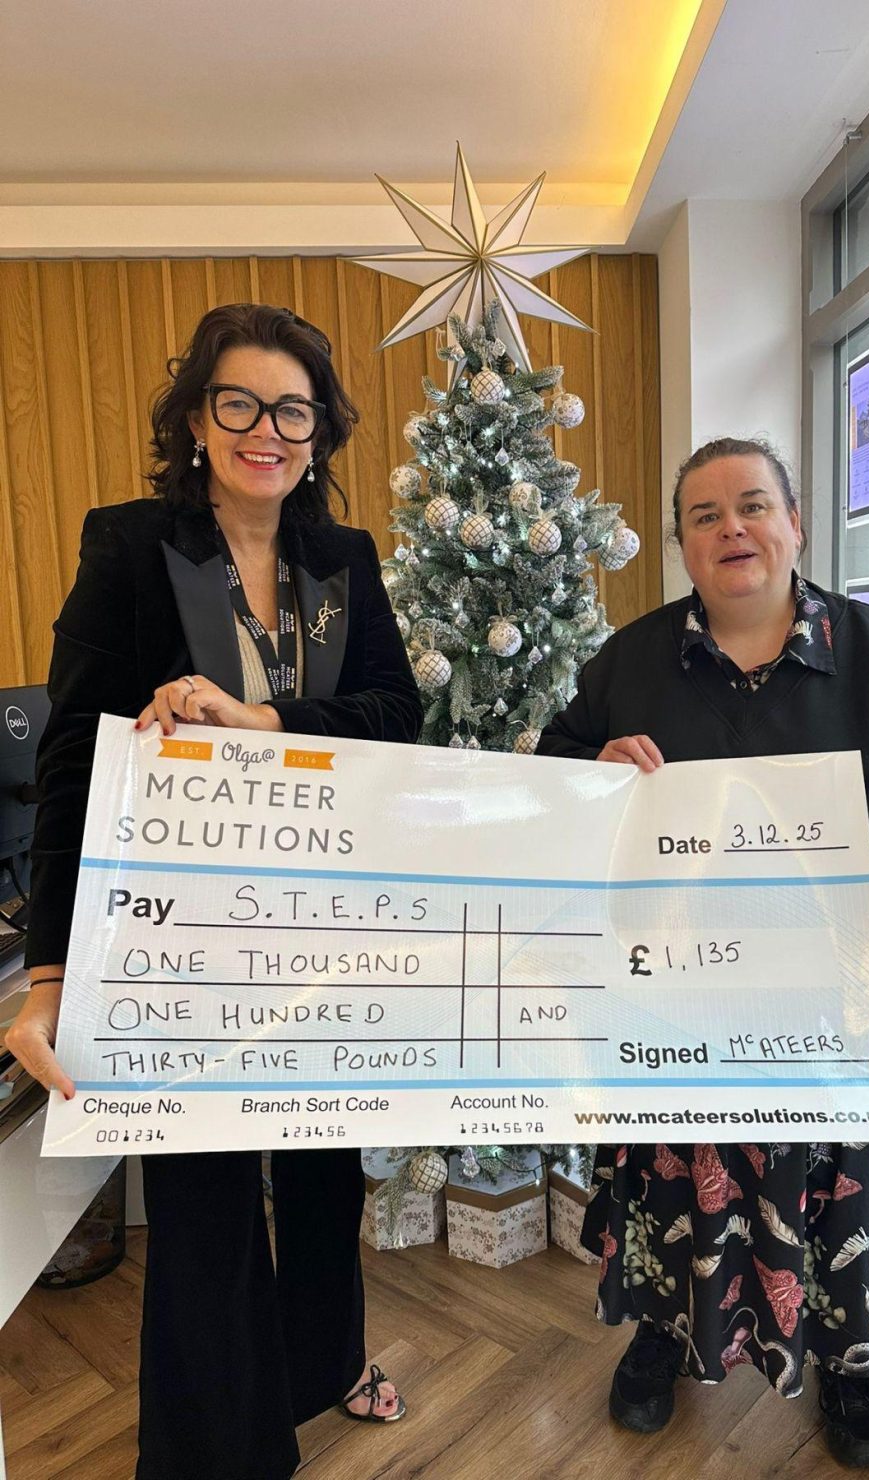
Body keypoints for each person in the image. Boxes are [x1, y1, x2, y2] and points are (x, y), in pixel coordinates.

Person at [7, 303, 423, 1480]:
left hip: (326, 932)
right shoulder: (130, 547)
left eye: (293, 410)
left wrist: (262, 720)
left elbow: (398, 718)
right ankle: (218, 1454)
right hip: (181, 948)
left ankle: (323, 1365)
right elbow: (71, 763)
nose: (265, 430)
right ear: (197, 419)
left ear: (318, 433)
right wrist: (49, 974)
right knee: (202, 1203)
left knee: (325, 1171)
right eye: (239, 402)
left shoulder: (344, 560)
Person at [537, 436, 869, 1468]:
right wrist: (594, 767)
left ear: (795, 524)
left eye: (752, 505)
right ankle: (662, 1332)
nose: (731, 528)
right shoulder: (630, 661)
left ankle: (850, 1362)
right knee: (667, 1184)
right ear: (681, 545)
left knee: (841, 1200)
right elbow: (555, 774)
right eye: (704, 515)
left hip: (839, 1009)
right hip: (675, 1007)